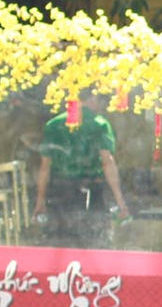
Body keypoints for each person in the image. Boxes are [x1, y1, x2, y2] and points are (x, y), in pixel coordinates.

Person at [34, 91, 127, 246]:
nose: (101, 104)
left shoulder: (53, 125)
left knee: (63, 240)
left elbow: (44, 168)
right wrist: (120, 200)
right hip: (92, 189)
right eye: (100, 99)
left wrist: (40, 200)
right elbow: (107, 162)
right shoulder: (99, 124)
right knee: (93, 239)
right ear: (93, 97)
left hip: (60, 191)